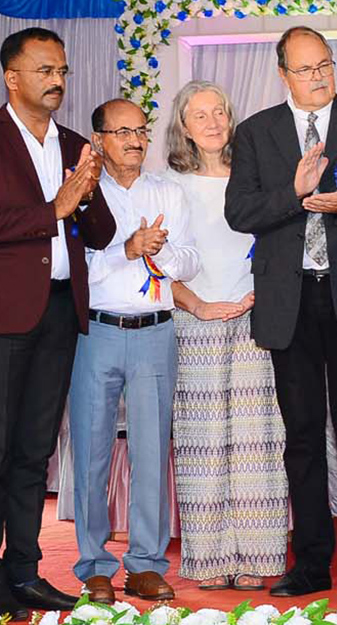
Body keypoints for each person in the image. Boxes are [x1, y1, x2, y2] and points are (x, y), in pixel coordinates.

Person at [225, 26, 337, 598]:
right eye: (305, 69)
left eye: (324, 63)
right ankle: (312, 562)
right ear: (283, 75)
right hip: (289, 302)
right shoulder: (255, 132)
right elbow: (240, 211)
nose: (319, 75)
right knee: (301, 436)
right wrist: (295, 197)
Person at [0, 27, 115, 619]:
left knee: (33, 451)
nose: (57, 81)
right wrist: (55, 209)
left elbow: (102, 234)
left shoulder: (74, 144)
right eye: (45, 70)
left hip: (60, 313)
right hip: (6, 316)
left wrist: (88, 194)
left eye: (63, 71)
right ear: (11, 76)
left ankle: (20, 575)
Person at [69, 98, 200, 603]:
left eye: (141, 130)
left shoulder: (169, 191)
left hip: (155, 331)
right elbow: (78, 268)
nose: (135, 140)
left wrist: (158, 248)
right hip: (95, 331)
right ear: (99, 139)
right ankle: (94, 564)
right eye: (122, 131)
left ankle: (145, 563)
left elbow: (188, 263)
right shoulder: (82, 194)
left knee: (151, 451)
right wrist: (127, 249)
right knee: (92, 450)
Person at [165, 81, 288, 591]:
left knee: (259, 444)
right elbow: (159, 265)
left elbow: (281, 242)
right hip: (195, 322)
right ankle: (209, 559)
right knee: (202, 446)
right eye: (200, 115)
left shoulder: (255, 178)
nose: (213, 122)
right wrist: (200, 305)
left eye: (220, 112)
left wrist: (266, 295)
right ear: (184, 128)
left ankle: (258, 556)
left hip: (255, 321)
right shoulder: (170, 187)